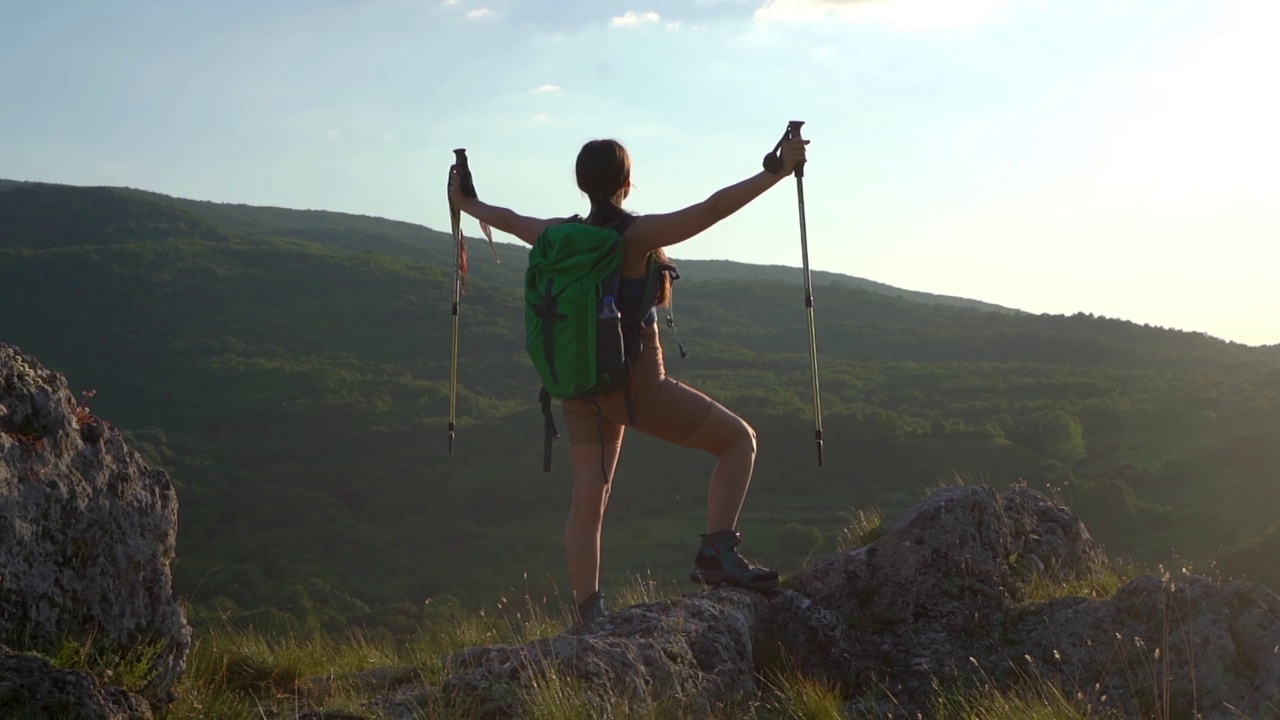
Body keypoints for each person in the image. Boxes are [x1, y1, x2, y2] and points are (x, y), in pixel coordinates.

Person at [447, 132, 810, 625]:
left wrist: (465, 201)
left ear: (581, 184)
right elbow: (712, 209)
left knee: (588, 502)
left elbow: (508, 220)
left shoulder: (559, 235)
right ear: (627, 182)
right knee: (739, 441)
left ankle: (589, 613)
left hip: (578, 388)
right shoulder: (633, 238)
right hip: (637, 387)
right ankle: (715, 556)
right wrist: (776, 171)